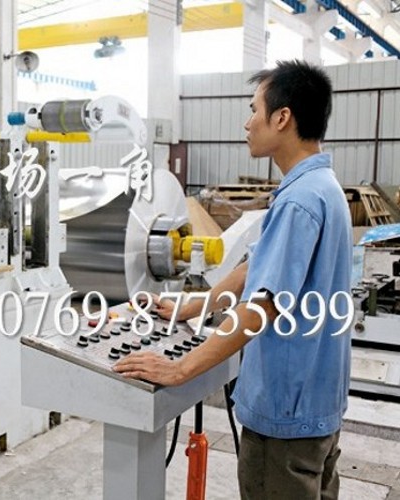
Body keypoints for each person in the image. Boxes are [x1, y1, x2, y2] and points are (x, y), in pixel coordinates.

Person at [114, 59, 353, 500]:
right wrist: (191, 308)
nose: (247, 123)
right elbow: (254, 269)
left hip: (285, 412)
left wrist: (181, 367)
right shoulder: (322, 187)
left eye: (253, 109)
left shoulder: (299, 201)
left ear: (282, 118)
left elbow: (262, 306)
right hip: (316, 403)